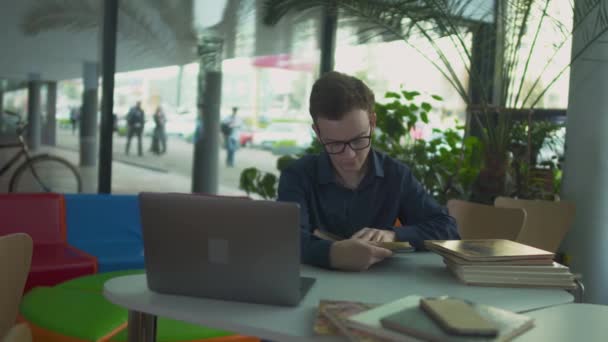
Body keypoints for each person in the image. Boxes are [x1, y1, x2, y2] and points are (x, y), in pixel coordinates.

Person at [277, 71, 459, 272]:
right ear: (318, 133)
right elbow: (286, 238)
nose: (349, 155)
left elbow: (447, 228)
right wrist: (333, 254)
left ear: (372, 123)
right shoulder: (297, 175)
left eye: (358, 140)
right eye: (335, 144)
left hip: (381, 288)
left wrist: (394, 235)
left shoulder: (396, 175)